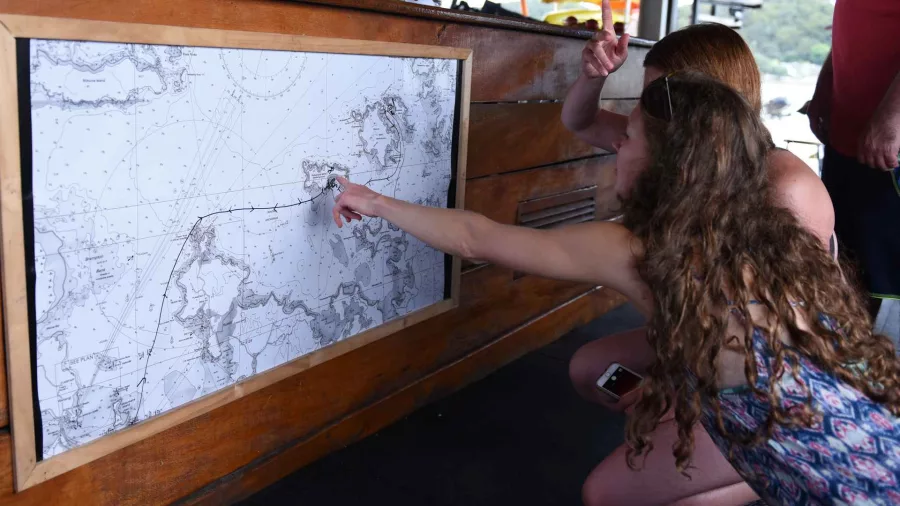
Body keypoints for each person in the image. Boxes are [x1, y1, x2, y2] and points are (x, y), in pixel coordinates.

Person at [333, 72, 900, 505]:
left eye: (629, 138)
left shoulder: (639, 251)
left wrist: (376, 201)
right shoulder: (772, 232)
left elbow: (477, 237)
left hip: (834, 483)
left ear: (668, 165)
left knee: (603, 494)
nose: (619, 149)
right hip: (876, 438)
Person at [560, 4, 835, 504]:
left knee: (603, 494)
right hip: (693, 336)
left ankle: (763, 468)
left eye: (665, 97)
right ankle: (680, 439)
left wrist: (687, 393)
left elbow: (784, 338)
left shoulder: (787, 185)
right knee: (592, 372)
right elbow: (580, 122)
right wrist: (593, 76)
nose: (651, 112)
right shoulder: (677, 150)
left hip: (771, 377)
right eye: (653, 98)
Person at [808, 0, 900, 340]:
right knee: (842, 269)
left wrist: (893, 117)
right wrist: (825, 84)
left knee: (883, 284)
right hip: (848, 138)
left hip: (888, 148)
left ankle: (883, 386)